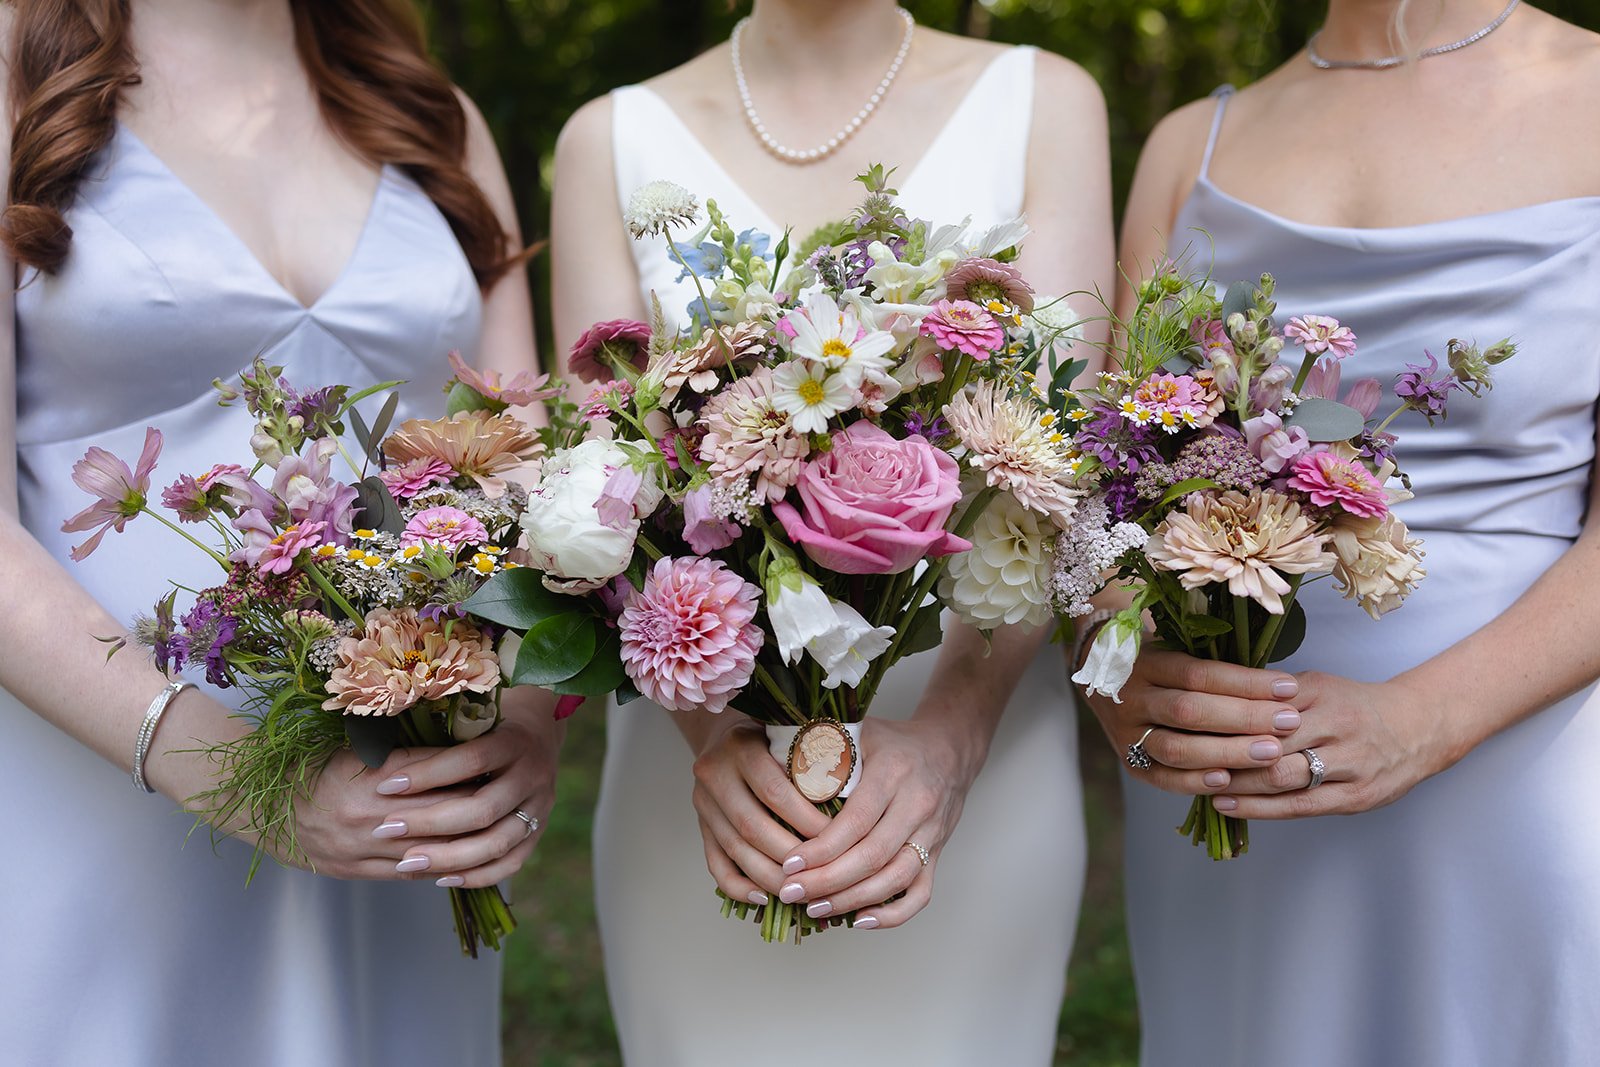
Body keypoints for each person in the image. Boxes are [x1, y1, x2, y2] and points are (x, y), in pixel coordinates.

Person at [551, 2, 1113, 1063]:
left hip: (974, 754)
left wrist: (952, 739)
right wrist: (720, 740)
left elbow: (1056, 466)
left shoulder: (1043, 100)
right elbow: (601, 484)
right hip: (714, 775)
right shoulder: (608, 137)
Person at [0, 1, 561, 1063]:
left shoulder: (431, 113)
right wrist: (246, 783)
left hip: (406, 806)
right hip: (103, 810)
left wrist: (528, 722)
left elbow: (529, 476)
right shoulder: (17, 79)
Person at [1093, 1, 1600, 1063]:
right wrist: (1116, 676)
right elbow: (1101, 494)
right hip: (1230, 814)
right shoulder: (1194, 145)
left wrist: (1422, 720)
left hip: (1519, 776)